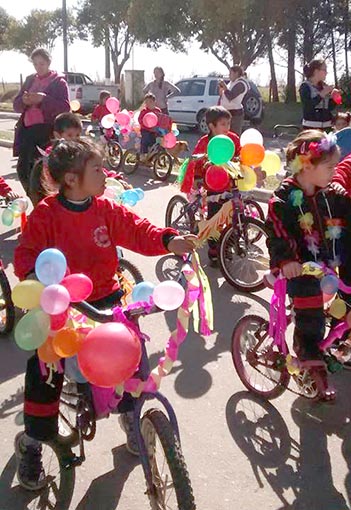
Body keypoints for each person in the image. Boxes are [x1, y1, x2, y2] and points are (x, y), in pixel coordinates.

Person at [13, 139, 196, 491]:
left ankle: (131, 417)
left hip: (108, 300)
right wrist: (35, 279)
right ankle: (33, 443)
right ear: (70, 178)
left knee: (132, 360)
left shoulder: (105, 209)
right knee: (45, 372)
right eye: (96, 168)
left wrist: (168, 240)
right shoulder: (46, 214)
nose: (104, 173)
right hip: (63, 307)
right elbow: (26, 256)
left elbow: (137, 229)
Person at [266, 129, 351, 400]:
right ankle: (307, 347)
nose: (335, 171)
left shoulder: (334, 194)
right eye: (330, 167)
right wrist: (289, 260)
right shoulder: (282, 200)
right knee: (310, 309)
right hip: (301, 268)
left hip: (329, 264)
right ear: (306, 166)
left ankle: (340, 343)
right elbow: (279, 234)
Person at [29, 112, 130, 206]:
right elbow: (48, 182)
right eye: (69, 135)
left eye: (77, 135)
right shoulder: (54, 156)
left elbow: (94, 167)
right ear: (57, 135)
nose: (74, 139)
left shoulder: (80, 153)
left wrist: (114, 177)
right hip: (61, 201)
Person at [181, 106, 240, 262]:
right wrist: (197, 178)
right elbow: (197, 162)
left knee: (234, 215)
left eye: (229, 123)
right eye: (223, 124)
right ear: (211, 126)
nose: (227, 127)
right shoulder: (205, 142)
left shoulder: (233, 139)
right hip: (213, 185)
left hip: (231, 182)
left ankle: (227, 246)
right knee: (215, 219)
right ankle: (214, 250)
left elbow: (240, 155)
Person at [13, 48, 70, 195]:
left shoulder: (58, 82)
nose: (39, 67)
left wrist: (43, 99)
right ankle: (35, 201)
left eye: (42, 64)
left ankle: (44, 203)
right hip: (27, 130)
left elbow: (65, 107)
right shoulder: (30, 80)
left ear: (48, 63)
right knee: (23, 169)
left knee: (41, 172)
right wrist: (24, 101)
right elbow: (16, 105)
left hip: (45, 132)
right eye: (36, 64)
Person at [299, 59, 338, 130]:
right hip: (311, 127)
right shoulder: (305, 86)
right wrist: (322, 94)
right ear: (316, 71)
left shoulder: (324, 86)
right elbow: (308, 106)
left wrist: (334, 98)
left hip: (327, 127)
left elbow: (329, 108)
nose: (326, 73)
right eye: (324, 70)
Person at [219, 66, 250, 135]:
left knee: (234, 135)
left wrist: (224, 86)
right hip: (226, 112)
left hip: (235, 114)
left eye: (230, 73)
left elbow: (230, 96)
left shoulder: (241, 84)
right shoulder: (232, 83)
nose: (229, 75)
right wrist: (221, 88)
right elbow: (223, 96)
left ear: (236, 73)